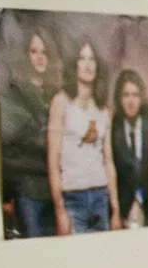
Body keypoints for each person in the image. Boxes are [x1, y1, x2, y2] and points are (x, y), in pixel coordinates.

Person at [46, 39, 118, 233]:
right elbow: (53, 162)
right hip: (73, 198)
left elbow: (108, 160)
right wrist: (60, 211)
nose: (88, 64)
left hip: (100, 196)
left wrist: (116, 211)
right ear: (74, 64)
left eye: (92, 59)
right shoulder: (61, 102)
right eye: (82, 58)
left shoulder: (104, 108)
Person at [0, 31, 59, 233]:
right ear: (26, 56)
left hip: (56, 191)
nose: (40, 57)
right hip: (29, 191)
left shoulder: (57, 94)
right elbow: (10, 145)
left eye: (44, 52)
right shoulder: (14, 93)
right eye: (34, 51)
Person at [111, 68, 148, 227]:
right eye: (126, 95)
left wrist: (139, 200)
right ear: (119, 98)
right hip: (123, 211)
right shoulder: (113, 127)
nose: (131, 101)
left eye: (135, 95)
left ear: (141, 98)